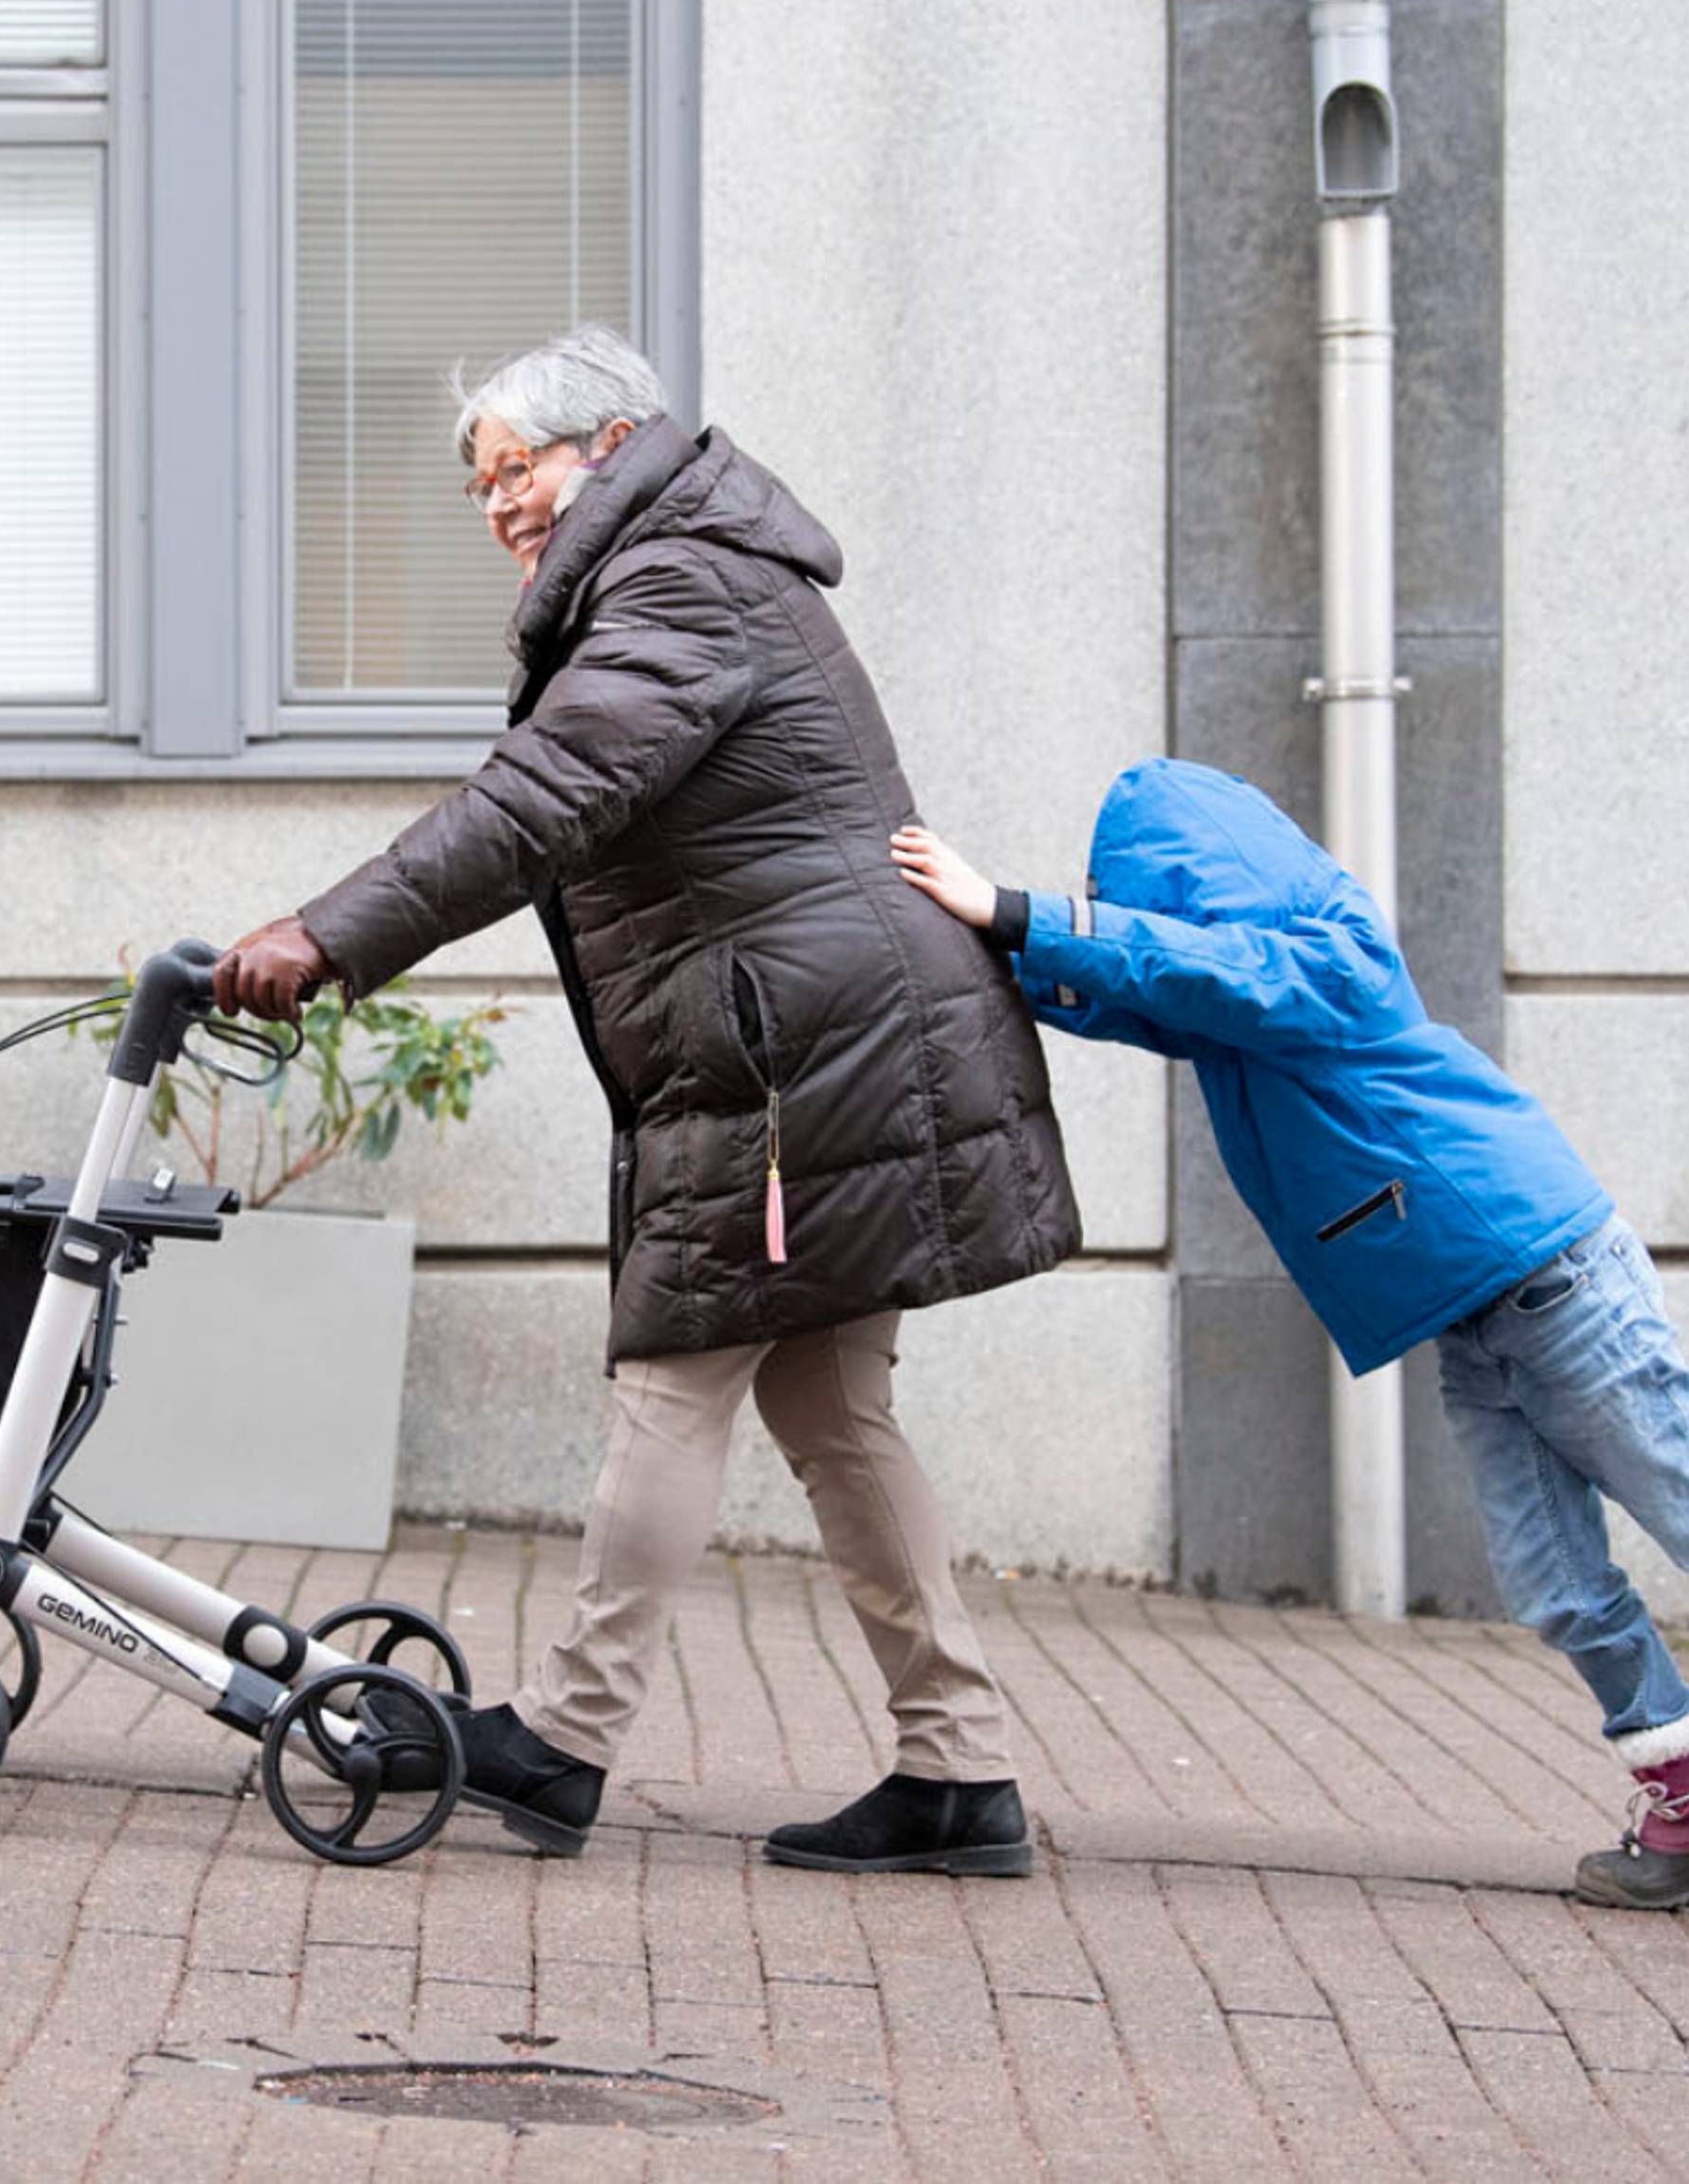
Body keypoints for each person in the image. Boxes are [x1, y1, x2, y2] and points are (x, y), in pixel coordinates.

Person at [215, 324, 1080, 1875]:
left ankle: (559, 1737)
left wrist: (324, 934)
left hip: (797, 1056)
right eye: (478, 485)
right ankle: (956, 1768)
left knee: (676, 1365)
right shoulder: (683, 564)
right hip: (812, 1039)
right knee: (826, 1400)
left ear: (608, 444)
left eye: (515, 468)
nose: (497, 505)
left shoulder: (683, 580)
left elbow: (539, 801)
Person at [893, 756, 1689, 1911]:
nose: (1130, 913)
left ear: (1194, 874)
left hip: (1553, 1277)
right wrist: (987, 948)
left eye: (1136, 893)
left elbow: (1213, 969)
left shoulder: (1328, 950)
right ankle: (1676, 1795)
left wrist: (1020, 911)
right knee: (1555, 1584)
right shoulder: (1237, 997)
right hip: (1473, 1317)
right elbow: (1142, 990)